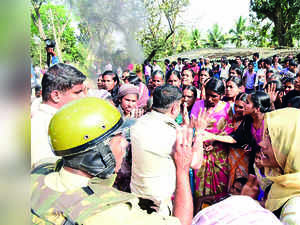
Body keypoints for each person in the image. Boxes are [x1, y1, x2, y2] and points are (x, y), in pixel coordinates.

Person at [31, 97, 194, 225]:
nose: (125, 143)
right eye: (119, 137)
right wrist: (182, 169)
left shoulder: (40, 171)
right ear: (101, 149)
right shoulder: (112, 214)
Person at [130, 85, 205, 216]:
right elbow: (195, 163)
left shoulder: (138, 123)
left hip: (136, 199)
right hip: (158, 207)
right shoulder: (173, 133)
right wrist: (199, 133)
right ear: (175, 108)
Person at [31, 63, 86, 168]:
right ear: (56, 96)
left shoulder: (60, 121)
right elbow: (44, 175)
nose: (83, 97)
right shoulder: (40, 128)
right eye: (78, 92)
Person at [190, 78, 234, 207]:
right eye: (207, 94)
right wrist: (200, 141)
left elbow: (229, 130)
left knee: (220, 187)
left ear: (221, 96)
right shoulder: (198, 105)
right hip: (199, 152)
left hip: (219, 154)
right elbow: (191, 127)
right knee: (199, 186)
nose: (209, 99)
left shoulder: (227, 108)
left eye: (214, 96)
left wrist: (213, 140)